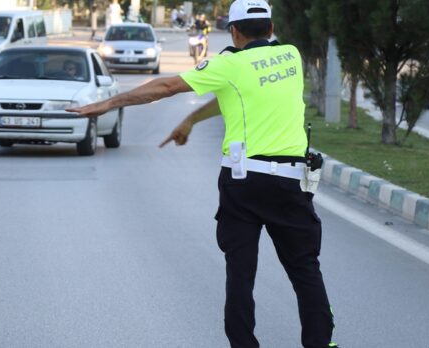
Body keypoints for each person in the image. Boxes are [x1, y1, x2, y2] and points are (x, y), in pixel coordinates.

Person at [67, 0, 339, 347]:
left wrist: (108, 103)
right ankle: (320, 343)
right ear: (271, 29)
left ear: (234, 31)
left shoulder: (228, 64)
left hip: (244, 184)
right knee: (304, 268)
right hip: (290, 182)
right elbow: (237, 93)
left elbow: (166, 87)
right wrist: (192, 119)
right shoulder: (291, 56)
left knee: (240, 275)